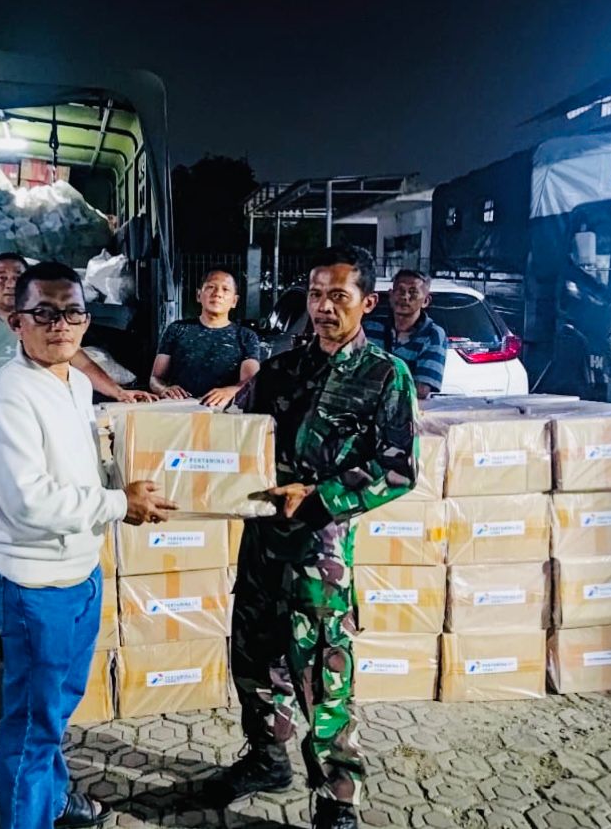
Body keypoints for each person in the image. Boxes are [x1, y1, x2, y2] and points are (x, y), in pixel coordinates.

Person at [204, 247, 418, 829]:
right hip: (261, 543)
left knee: (323, 676)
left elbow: (399, 468)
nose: (324, 307)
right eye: (317, 295)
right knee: (253, 662)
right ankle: (267, 759)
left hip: (318, 553)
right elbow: (235, 441)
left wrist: (321, 494)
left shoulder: (385, 376)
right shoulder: (280, 369)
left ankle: (337, 797)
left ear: (367, 303)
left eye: (338, 296)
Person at [0, 261, 178, 829]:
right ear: (16, 322)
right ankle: (27, 818)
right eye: (43, 313)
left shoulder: (77, 383)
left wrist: (125, 485)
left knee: (57, 703)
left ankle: (53, 800)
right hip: (34, 583)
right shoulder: (7, 397)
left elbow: (84, 468)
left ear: (86, 321)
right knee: (33, 720)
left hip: (80, 570)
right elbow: (28, 503)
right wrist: (117, 504)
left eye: (71, 312)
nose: (59, 324)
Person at [0, 252, 155, 413]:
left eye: (18, 277)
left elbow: (83, 364)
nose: (11, 284)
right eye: (2, 278)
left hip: (43, 410)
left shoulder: (51, 326)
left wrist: (119, 393)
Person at [149, 269, 261, 408]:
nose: (217, 294)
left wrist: (230, 391)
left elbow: (251, 381)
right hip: (179, 409)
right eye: (211, 287)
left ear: (234, 301)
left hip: (224, 411)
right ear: (198, 295)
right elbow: (155, 378)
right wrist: (164, 389)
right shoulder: (176, 329)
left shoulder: (246, 336)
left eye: (225, 289)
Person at [363, 269, 447, 399]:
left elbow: (421, 390)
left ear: (426, 301)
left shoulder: (433, 335)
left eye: (413, 292)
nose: (405, 297)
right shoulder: (370, 328)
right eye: (400, 291)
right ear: (391, 295)